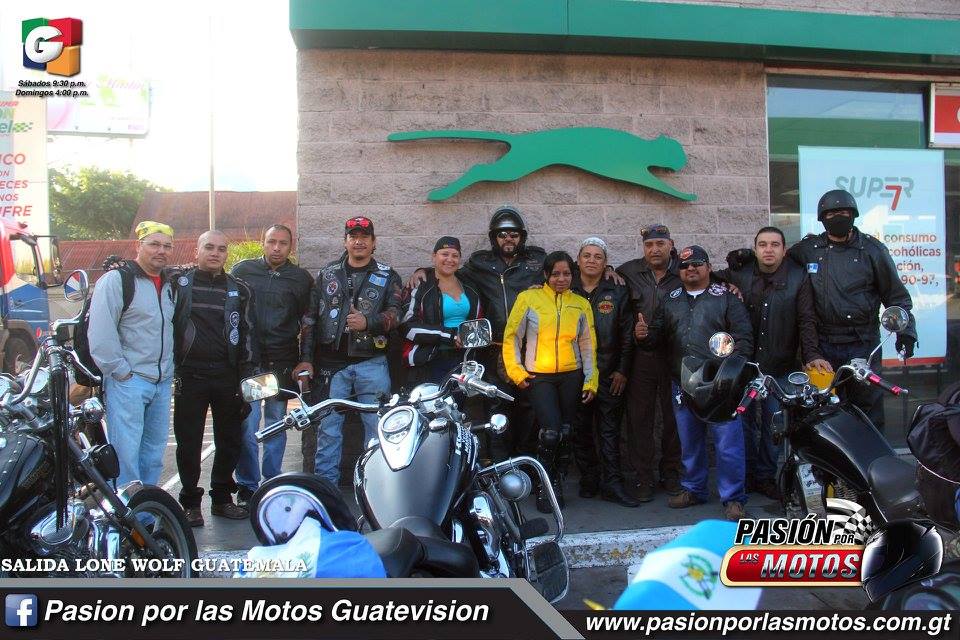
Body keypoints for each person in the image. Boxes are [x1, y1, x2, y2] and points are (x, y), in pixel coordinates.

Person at [635, 245, 754, 521]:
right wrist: (643, 335)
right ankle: (694, 489)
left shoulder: (726, 297)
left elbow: (744, 339)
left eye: (697, 264)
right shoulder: (670, 299)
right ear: (679, 271)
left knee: (728, 445)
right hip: (684, 382)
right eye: (685, 265)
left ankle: (733, 498)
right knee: (689, 443)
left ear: (708, 268)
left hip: (721, 385)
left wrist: (731, 374)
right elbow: (656, 338)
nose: (691, 269)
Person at [788, 189, 917, 432]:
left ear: (853, 215)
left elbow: (896, 296)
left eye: (843, 212)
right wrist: (742, 267)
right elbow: (776, 266)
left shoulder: (873, 250)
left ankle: (870, 456)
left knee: (867, 410)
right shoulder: (808, 249)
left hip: (863, 343)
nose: (837, 217)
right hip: (823, 345)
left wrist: (906, 331)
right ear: (822, 218)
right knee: (823, 411)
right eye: (831, 214)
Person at [715, 226, 829, 499]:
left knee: (774, 425)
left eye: (774, 244)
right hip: (744, 367)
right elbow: (705, 277)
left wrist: (812, 355)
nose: (768, 250)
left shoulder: (798, 277)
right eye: (763, 244)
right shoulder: (739, 274)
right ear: (755, 249)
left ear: (784, 250)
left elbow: (807, 320)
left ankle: (765, 477)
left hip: (781, 366)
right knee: (743, 425)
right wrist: (726, 281)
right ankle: (746, 476)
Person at [294, 216, 403, 485]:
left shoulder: (388, 275)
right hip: (330, 365)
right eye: (353, 236)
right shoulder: (327, 274)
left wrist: (369, 322)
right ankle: (326, 490)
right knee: (328, 430)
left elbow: (397, 314)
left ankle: (375, 488)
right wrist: (306, 359)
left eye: (364, 237)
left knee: (376, 430)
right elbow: (310, 319)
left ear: (374, 242)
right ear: (345, 241)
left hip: (372, 362)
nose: (359, 241)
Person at [171, 230, 258, 527]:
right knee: (189, 442)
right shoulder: (178, 283)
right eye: (209, 247)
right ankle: (190, 504)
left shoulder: (240, 289)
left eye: (221, 249)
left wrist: (246, 377)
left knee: (230, 441)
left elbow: (248, 334)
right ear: (196, 251)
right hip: (190, 375)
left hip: (227, 375)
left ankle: (222, 499)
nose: (215, 253)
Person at [503, 250, 598, 512]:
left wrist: (591, 380)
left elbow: (588, 343)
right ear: (546, 274)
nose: (561, 279)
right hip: (539, 376)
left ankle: (556, 482)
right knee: (551, 432)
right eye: (555, 274)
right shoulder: (528, 298)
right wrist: (517, 372)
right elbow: (512, 337)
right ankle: (543, 485)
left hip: (571, 375)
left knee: (566, 432)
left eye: (566, 273)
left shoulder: (580, 303)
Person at [89, 221, 176, 488]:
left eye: (167, 246)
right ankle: (126, 507)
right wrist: (120, 371)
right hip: (130, 381)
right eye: (154, 244)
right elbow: (101, 331)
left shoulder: (170, 284)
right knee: (126, 455)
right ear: (139, 246)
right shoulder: (117, 280)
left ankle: (146, 505)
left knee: (153, 454)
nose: (161, 251)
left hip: (162, 382)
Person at [231, 224, 314, 506]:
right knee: (248, 426)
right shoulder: (243, 271)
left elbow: (308, 323)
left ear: (291, 246)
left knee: (276, 425)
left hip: (282, 361)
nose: (276, 247)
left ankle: (272, 481)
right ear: (263, 242)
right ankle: (247, 485)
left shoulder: (300, 279)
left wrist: (305, 358)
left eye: (283, 243)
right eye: (271, 242)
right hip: (251, 362)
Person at [616, 224, 683, 502]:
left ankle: (672, 473)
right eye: (649, 245)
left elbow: (710, 281)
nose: (654, 249)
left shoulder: (684, 269)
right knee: (639, 420)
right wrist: (607, 269)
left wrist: (730, 285)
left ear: (671, 245)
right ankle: (643, 477)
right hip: (641, 357)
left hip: (675, 355)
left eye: (660, 244)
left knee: (674, 418)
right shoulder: (628, 271)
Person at [571, 237, 639, 508]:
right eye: (586, 255)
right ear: (578, 260)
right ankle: (589, 478)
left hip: (609, 372)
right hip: (575, 374)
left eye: (598, 256)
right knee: (580, 430)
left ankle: (613, 483)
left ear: (605, 263)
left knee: (609, 431)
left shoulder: (617, 290)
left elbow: (627, 334)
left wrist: (622, 370)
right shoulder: (566, 287)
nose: (592, 260)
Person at [401, 236, 482, 386]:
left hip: (465, 359)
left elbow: (478, 319)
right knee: (434, 400)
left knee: (459, 400)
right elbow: (408, 327)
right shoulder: (420, 285)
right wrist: (450, 336)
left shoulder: (469, 284)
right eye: (444, 254)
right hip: (430, 359)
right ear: (434, 256)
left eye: (455, 255)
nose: (450, 259)